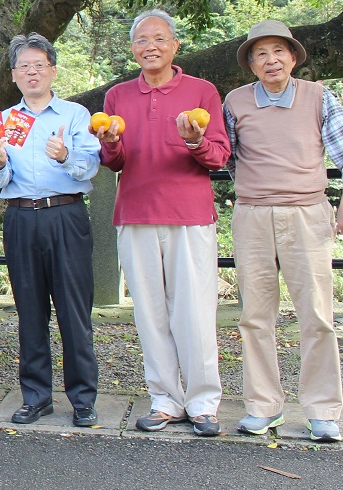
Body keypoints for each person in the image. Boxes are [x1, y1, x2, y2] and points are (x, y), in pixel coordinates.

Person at [225, 20, 343, 443]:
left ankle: (323, 410)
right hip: (252, 215)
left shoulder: (317, 97)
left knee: (317, 316)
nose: (271, 60)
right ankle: (262, 406)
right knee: (255, 317)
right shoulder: (234, 101)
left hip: (307, 211)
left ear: (293, 57)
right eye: (261, 54)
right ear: (251, 63)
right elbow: (228, 155)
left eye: (278, 52)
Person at [96, 10, 231, 437]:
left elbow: (220, 156)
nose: (149, 46)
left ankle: (204, 402)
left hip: (189, 215)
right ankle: (164, 399)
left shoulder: (202, 91)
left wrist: (194, 140)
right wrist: (110, 144)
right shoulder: (118, 96)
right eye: (140, 40)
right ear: (133, 48)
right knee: (150, 314)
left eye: (158, 39)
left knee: (193, 311)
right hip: (134, 213)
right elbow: (113, 161)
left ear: (174, 45)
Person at [0, 34, 101, 426]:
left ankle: (83, 398)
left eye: (38, 65)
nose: (31, 73)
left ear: (52, 69)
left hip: (66, 215)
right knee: (29, 310)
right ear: (13, 76)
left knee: (73, 310)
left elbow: (90, 165)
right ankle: (36, 396)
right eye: (23, 67)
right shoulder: (2, 121)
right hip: (20, 217)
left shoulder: (74, 115)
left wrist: (66, 156)